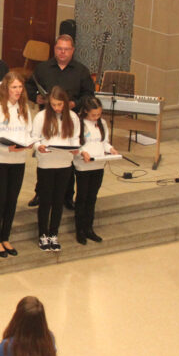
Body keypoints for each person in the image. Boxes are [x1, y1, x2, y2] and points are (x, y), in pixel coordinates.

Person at [25, 33, 94, 208]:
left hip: (70, 120)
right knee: (45, 156)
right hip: (47, 119)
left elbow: (89, 95)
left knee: (67, 156)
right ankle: (40, 193)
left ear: (72, 51)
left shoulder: (81, 71)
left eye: (66, 49)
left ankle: (67, 196)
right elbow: (30, 86)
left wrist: (74, 103)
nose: (62, 52)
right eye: (59, 49)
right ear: (55, 49)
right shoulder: (43, 68)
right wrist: (36, 97)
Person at [0, 72, 33, 258]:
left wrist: (29, 143)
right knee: (0, 201)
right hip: (1, 161)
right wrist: (8, 148)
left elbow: (28, 132)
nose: (18, 91)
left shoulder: (25, 109)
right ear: (6, 88)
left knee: (12, 201)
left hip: (18, 160)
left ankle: (6, 237)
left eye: (20, 87)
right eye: (14, 87)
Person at [33, 87, 81, 252]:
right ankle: (43, 235)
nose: (57, 108)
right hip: (46, 162)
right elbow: (34, 138)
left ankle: (54, 233)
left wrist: (76, 149)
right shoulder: (41, 117)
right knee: (45, 201)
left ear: (66, 103)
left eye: (60, 104)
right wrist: (39, 146)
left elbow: (75, 138)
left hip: (64, 163)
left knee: (58, 201)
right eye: (53, 104)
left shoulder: (73, 117)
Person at [73, 96, 119, 245]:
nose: (96, 118)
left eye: (98, 114)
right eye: (93, 115)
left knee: (92, 197)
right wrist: (81, 152)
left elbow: (104, 142)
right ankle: (79, 230)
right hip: (83, 165)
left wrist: (111, 149)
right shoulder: (78, 123)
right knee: (82, 197)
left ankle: (89, 229)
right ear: (86, 111)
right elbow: (74, 143)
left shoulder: (102, 123)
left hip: (98, 164)